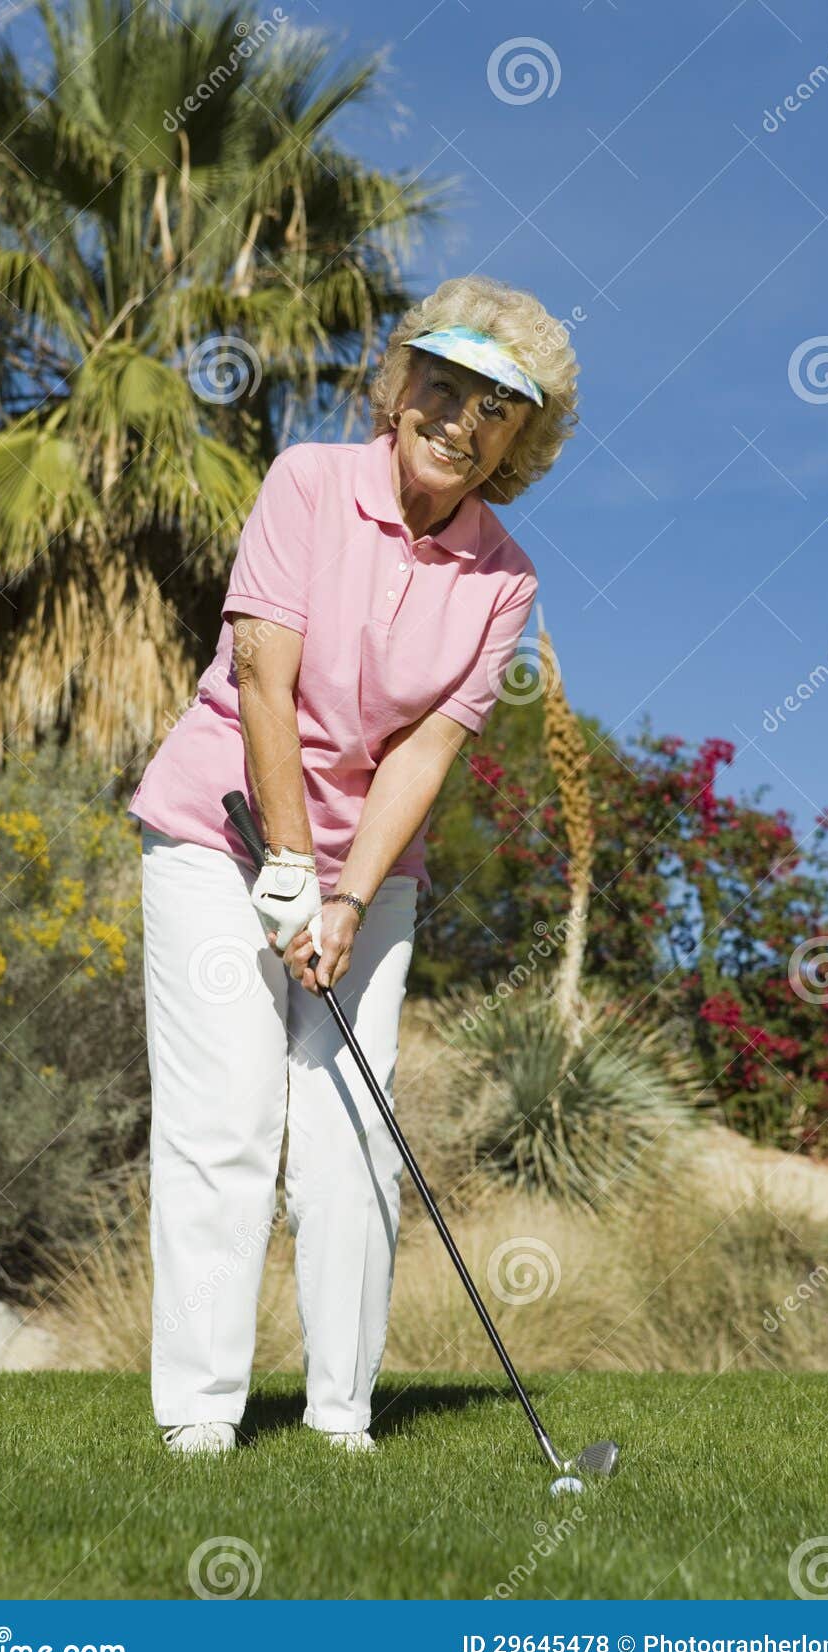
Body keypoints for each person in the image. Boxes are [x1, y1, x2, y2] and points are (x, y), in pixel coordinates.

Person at [127, 273, 579, 1455]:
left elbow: (423, 755)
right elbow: (264, 678)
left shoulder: (504, 578)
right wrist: (285, 868)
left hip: (369, 865)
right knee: (225, 1115)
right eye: (443, 384)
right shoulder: (307, 484)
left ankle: (339, 1420)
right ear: (399, 385)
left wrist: (342, 897)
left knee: (348, 1128)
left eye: (495, 407)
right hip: (217, 824)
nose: (458, 418)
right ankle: (202, 1416)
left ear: (519, 440)